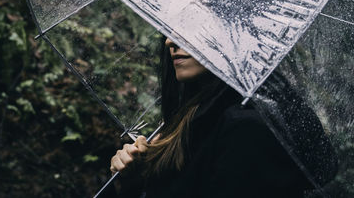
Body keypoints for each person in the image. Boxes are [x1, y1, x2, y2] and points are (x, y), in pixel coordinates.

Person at [105, 36, 333, 198]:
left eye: (188, 25)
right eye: (170, 28)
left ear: (231, 33)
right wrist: (132, 178)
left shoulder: (246, 129)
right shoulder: (193, 115)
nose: (169, 41)